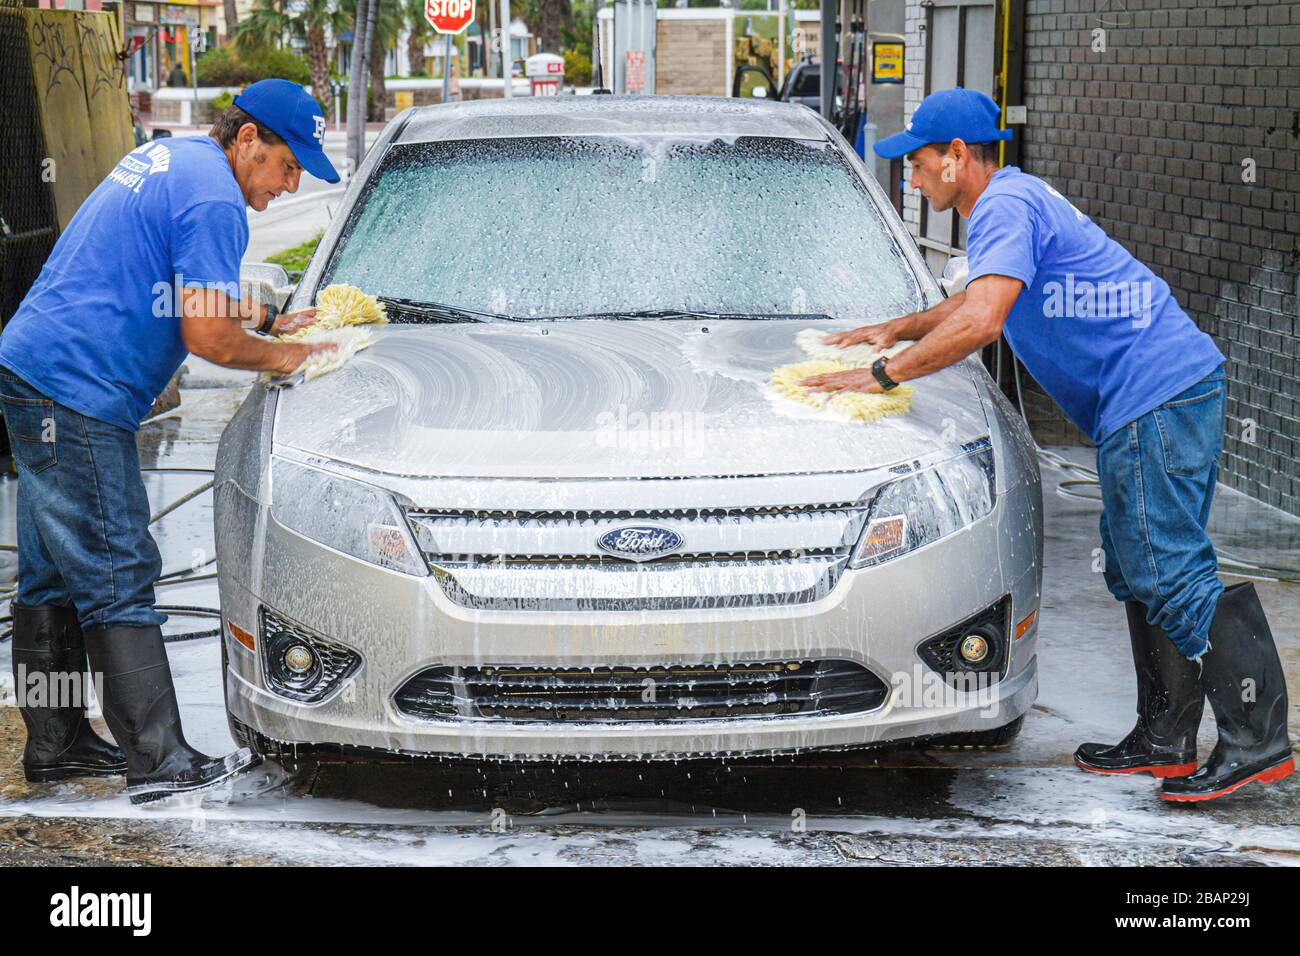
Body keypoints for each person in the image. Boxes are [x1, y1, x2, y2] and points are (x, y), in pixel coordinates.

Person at [802, 87, 1294, 802]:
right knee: (1137, 567)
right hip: (1148, 398)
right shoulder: (1010, 204)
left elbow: (984, 322)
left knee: (1170, 566)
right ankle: (1164, 740)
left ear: (958, 158)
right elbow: (974, 299)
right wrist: (899, 328)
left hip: (1158, 392)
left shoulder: (1004, 207)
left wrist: (880, 374)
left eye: (917, 161)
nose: (909, 175)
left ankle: (1258, 740)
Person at [0, 79, 339, 805]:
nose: (292, 182)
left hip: (34, 367)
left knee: (51, 576)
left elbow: (172, 284)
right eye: (287, 163)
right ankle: (159, 759)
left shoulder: (181, 159)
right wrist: (293, 357)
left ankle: (57, 745)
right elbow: (208, 334)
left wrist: (269, 319)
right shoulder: (215, 197)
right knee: (118, 565)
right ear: (247, 139)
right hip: (75, 390)